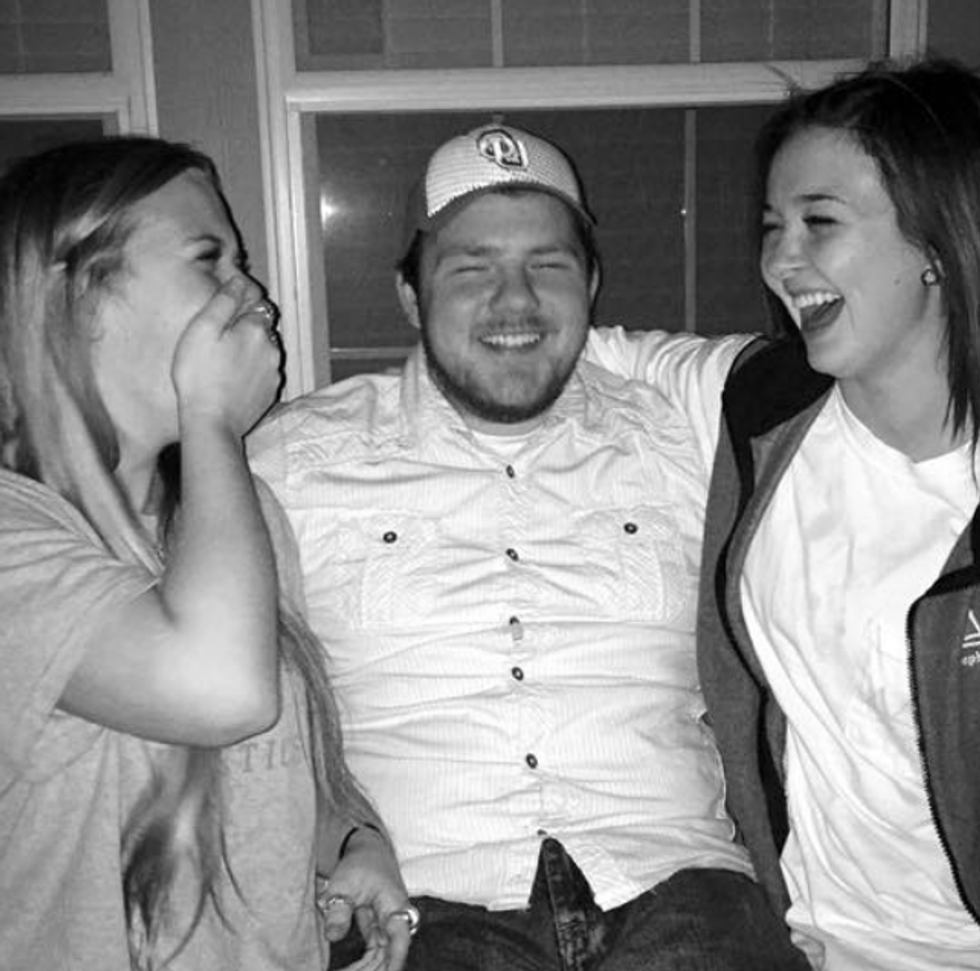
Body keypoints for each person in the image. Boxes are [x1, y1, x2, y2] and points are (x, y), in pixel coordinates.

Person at [249, 122, 809, 970]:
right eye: (471, 269)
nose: (515, 301)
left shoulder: (688, 433)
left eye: (548, 266)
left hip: (676, 878)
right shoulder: (291, 459)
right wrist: (338, 837)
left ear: (592, 285)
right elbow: (239, 709)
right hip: (423, 898)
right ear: (411, 295)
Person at [0, 135, 416, 971]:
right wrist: (214, 417)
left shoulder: (234, 509)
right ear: (81, 298)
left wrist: (354, 839)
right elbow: (221, 691)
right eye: (208, 260)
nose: (255, 297)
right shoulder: (15, 535)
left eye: (245, 264)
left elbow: (286, 759)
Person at [696, 58, 980, 970]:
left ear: (939, 239)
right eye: (772, 226)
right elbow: (595, 350)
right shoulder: (767, 405)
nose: (781, 260)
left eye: (820, 221)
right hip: (804, 941)